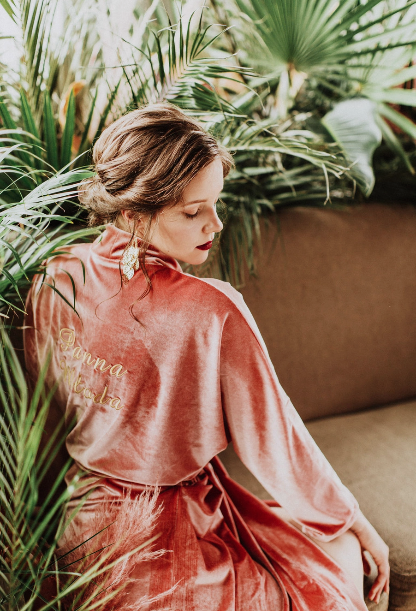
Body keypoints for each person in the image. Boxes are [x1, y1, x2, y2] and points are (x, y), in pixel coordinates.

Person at [24, 103, 389, 611]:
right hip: (172, 539)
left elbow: (43, 413)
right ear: (131, 213)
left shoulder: (55, 275)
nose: (214, 224)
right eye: (193, 212)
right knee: (341, 562)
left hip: (78, 537)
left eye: (216, 203)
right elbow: (275, 439)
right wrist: (358, 525)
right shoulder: (212, 310)